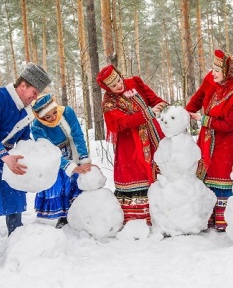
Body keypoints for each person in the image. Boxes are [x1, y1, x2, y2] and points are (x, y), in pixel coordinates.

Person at [96, 65, 167, 225]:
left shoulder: (134, 83)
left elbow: (153, 99)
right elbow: (121, 122)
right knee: (136, 173)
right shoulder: (109, 102)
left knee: (163, 169)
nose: (119, 85)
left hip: (154, 136)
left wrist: (164, 107)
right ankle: (139, 217)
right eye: (114, 85)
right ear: (108, 88)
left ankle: (166, 212)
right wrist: (148, 113)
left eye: (119, 80)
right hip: (131, 145)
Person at [185, 49, 233, 231]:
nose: (213, 73)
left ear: (227, 72)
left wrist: (202, 119)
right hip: (207, 136)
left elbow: (228, 124)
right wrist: (185, 114)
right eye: (213, 69)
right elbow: (197, 99)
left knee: (222, 174)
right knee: (205, 171)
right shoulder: (210, 79)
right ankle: (207, 215)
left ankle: (224, 218)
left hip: (228, 140)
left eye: (217, 71)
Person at [0, 62, 52, 235]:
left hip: (8, 158)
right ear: (23, 85)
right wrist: (4, 156)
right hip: (4, 156)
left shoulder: (26, 112)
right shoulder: (1, 98)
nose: (34, 98)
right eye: (34, 93)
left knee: (15, 193)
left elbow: (24, 140)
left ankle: (16, 237)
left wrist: (36, 155)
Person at [31, 94, 92, 228]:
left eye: (54, 112)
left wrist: (84, 158)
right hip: (54, 157)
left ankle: (79, 214)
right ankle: (63, 216)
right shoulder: (37, 127)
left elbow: (77, 135)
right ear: (40, 118)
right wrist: (70, 167)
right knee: (61, 185)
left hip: (72, 149)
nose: (53, 117)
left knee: (77, 182)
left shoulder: (67, 112)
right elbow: (48, 152)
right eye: (48, 117)